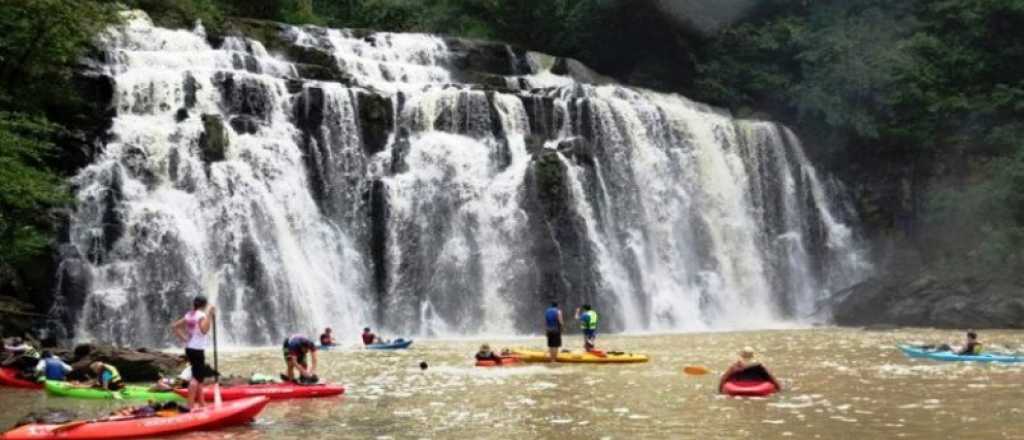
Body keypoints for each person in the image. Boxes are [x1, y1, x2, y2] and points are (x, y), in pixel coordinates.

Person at [171, 295, 215, 409]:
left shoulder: (189, 314)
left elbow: (175, 326)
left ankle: (201, 403)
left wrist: (185, 338)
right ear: (204, 305)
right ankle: (190, 406)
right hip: (197, 349)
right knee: (196, 379)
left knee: (198, 377)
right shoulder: (201, 315)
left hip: (189, 348)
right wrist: (209, 314)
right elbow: (204, 330)